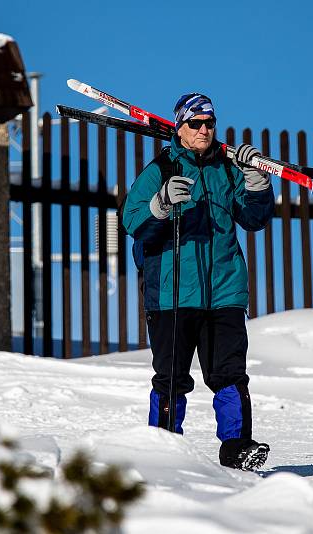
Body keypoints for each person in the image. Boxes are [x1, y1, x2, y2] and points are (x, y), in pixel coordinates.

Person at [121, 93, 274, 470]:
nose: (204, 129)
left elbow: (253, 217)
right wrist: (160, 204)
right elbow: (131, 219)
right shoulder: (162, 167)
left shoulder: (226, 169)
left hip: (224, 292)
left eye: (210, 123)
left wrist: (256, 183)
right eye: (196, 123)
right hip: (173, 293)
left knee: (230, 375)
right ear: (180, 127)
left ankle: (237, 447)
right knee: (171, 378)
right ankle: (163, 447)